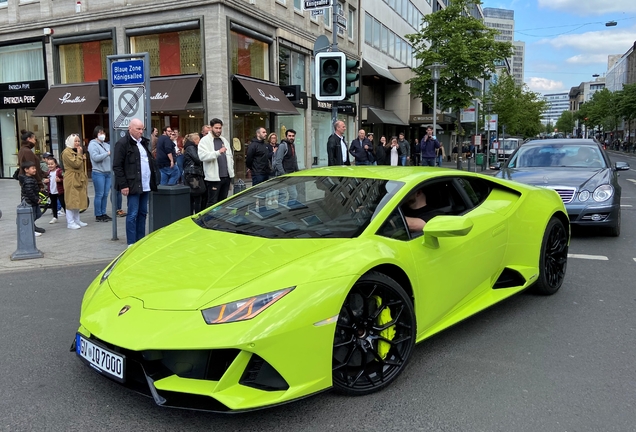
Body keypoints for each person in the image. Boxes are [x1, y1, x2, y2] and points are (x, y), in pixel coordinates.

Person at [113, 118, 157, 246]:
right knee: (132, 214)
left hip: (145, 183)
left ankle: (140, 240)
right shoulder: (122, 144)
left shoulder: (143, 143)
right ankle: (131, 242)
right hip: (132, 184)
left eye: (142, 129)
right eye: (138, 129)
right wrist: (123, 185)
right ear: (130, 128)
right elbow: (117, 166)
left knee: (143, 213)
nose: (141, 131)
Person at [198, 118, 234, 206]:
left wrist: (231, 172)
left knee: (223, 202)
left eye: (220, 128)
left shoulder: (224, 140)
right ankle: (209, 219)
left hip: (226, 176)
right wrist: (218, 152)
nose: (218, 130)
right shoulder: (205, 140)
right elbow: (202, 156)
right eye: (216, 128)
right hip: (213, 178)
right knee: (212, 202)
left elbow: (230, 157)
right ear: (211, 128)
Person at [61, 134, 89, 230]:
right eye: (75, 141)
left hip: (79, 177)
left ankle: (77, 220)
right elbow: (75, 164)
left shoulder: (75, 151)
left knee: (78, 199)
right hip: (71, 177)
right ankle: (70, 222)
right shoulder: (66, 152)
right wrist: (80, 155)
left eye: (78, 141)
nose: (77, 143)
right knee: (71, 200)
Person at [88, 126, 113, 222]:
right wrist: (107, 154)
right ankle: (98, 214)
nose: (102, 135)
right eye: (100, 133)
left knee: (105, 194)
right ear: (96, 134)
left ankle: (103, 213)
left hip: (108, 173)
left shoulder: (106, 145)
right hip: (99, 173)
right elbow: (95, 158)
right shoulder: (92, 144)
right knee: (99, 194)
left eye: (103, 133)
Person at [182, 133, 206, 214]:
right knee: (197, 196)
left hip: (191, 173)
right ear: (195, 140)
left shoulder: (189, 147)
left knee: (193, 197)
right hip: (193, 174)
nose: (200, 141)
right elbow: (198, 159)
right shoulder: (191, 148)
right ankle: (197, 214)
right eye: (199, 139)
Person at [19, 161, 44, 237]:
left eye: (35, 168)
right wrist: (36, 199)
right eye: (33, 168)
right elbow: (30, 192)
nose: (35, 170)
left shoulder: (31, 178)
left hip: (32, 201)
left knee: (37, 214)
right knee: (31, 216)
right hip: (29, 202)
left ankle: (31, 227)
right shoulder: (28, 180)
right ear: (26, 170)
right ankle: (29, 230)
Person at [45, 158, 65, 224]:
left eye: (52, 164)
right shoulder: (48, 172)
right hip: (51, 191)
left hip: (59, 191)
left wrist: (60, 180)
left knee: (63, 203)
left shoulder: (59, 171)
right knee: (53, 204)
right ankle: (55, 217)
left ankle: (69, 216)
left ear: (56, 164)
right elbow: (47, 181)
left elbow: (65, 179)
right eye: (48, 164)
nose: (50, 165)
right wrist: (45, 182)